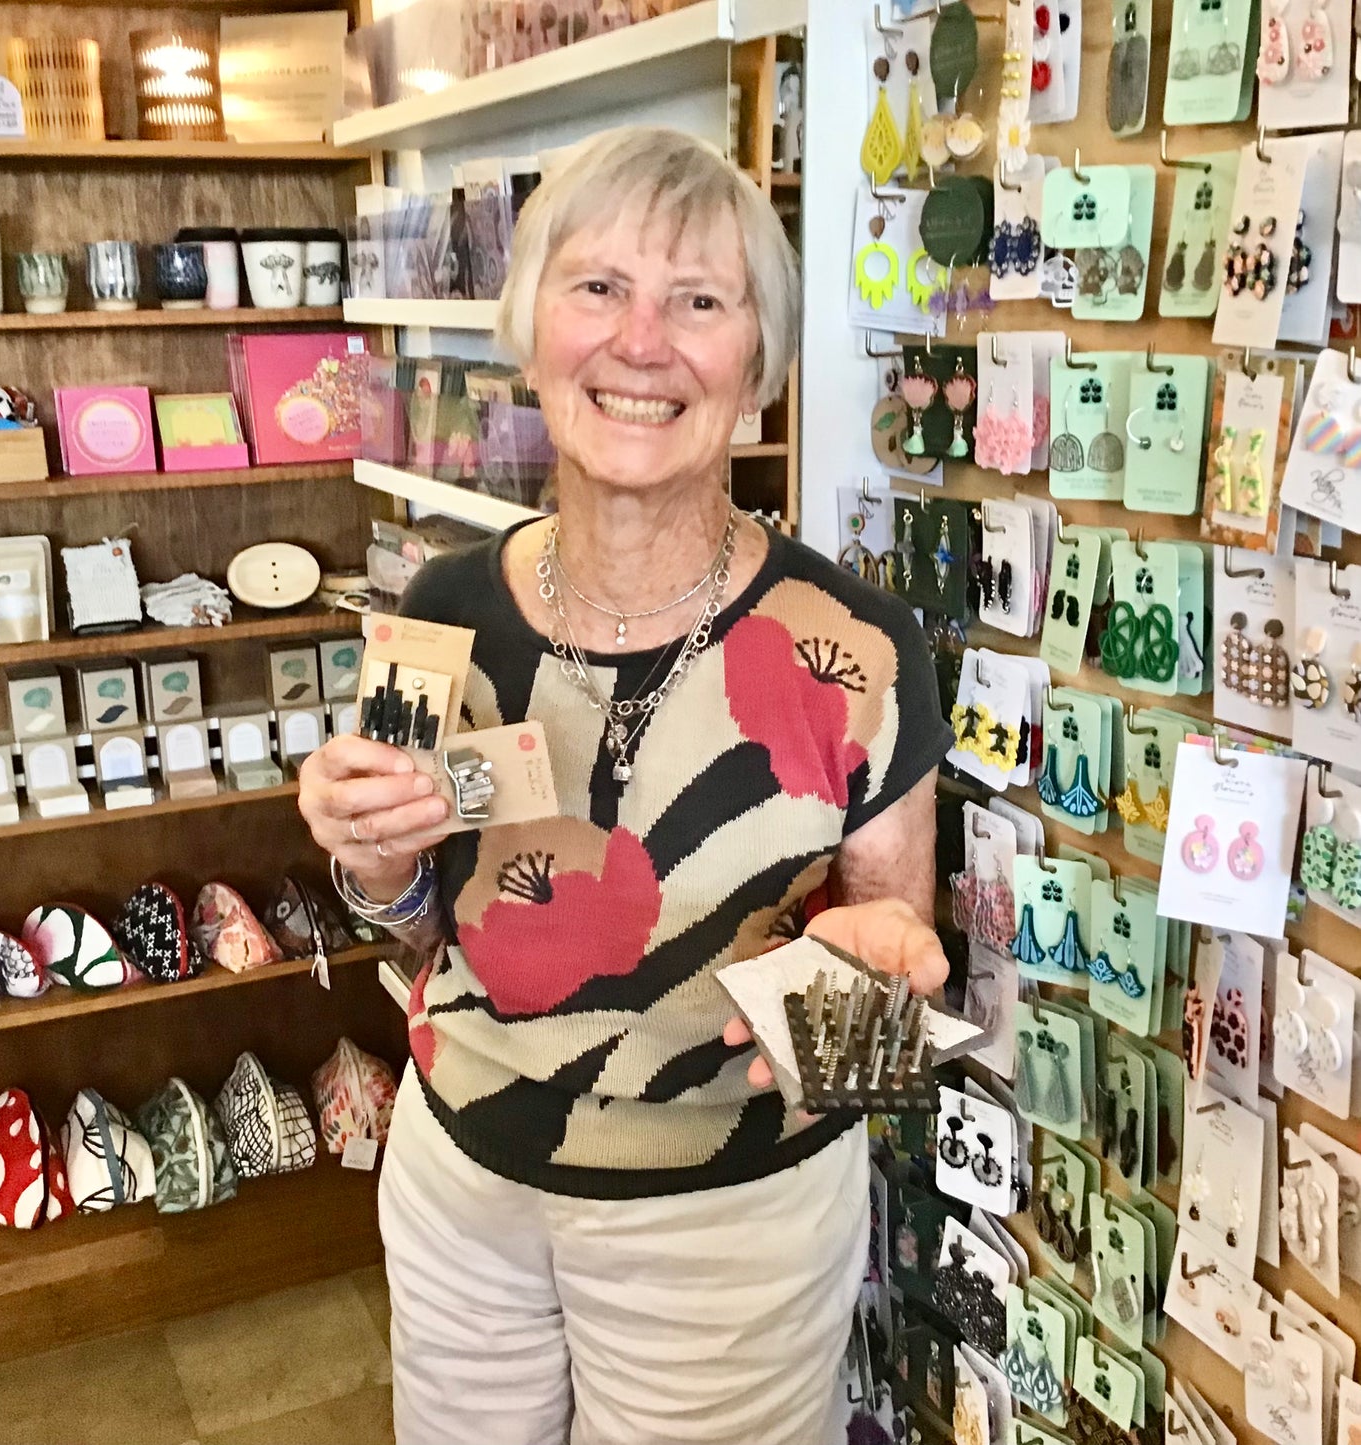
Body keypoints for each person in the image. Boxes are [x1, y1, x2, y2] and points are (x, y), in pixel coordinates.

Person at [297, 125, 952, 1445]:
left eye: (698, 302)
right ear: (531, 336)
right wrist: (374, 864)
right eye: (597, 287)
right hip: (460, 1192)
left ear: (756, 365)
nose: (640, 343)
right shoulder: (445, 606)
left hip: (728, 1239)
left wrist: (876, 985)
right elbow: (423, 931)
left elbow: (883, 996)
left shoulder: (861, 649)